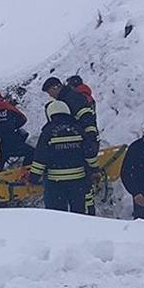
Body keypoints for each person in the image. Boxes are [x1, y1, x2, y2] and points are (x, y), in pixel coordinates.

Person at [28, 100, 97, 214]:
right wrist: (95, 169)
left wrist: (33, 178)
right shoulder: (78, 129)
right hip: (78, 181)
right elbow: (90, 153)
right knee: (79, 214)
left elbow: (40, 158)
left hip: (55, 184)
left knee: (57, 216)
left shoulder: (48, 131)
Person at [42, 77, 99, 213]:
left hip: (82, 144)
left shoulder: (72, 98)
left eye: (50, 92)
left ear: (56, 87)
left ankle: (88, 215)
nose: (50, 96)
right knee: (82, 184)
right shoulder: (69, 98)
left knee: (84, 183)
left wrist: (88, 141)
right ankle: (85, 212)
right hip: (80, 143)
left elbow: (87, 120)